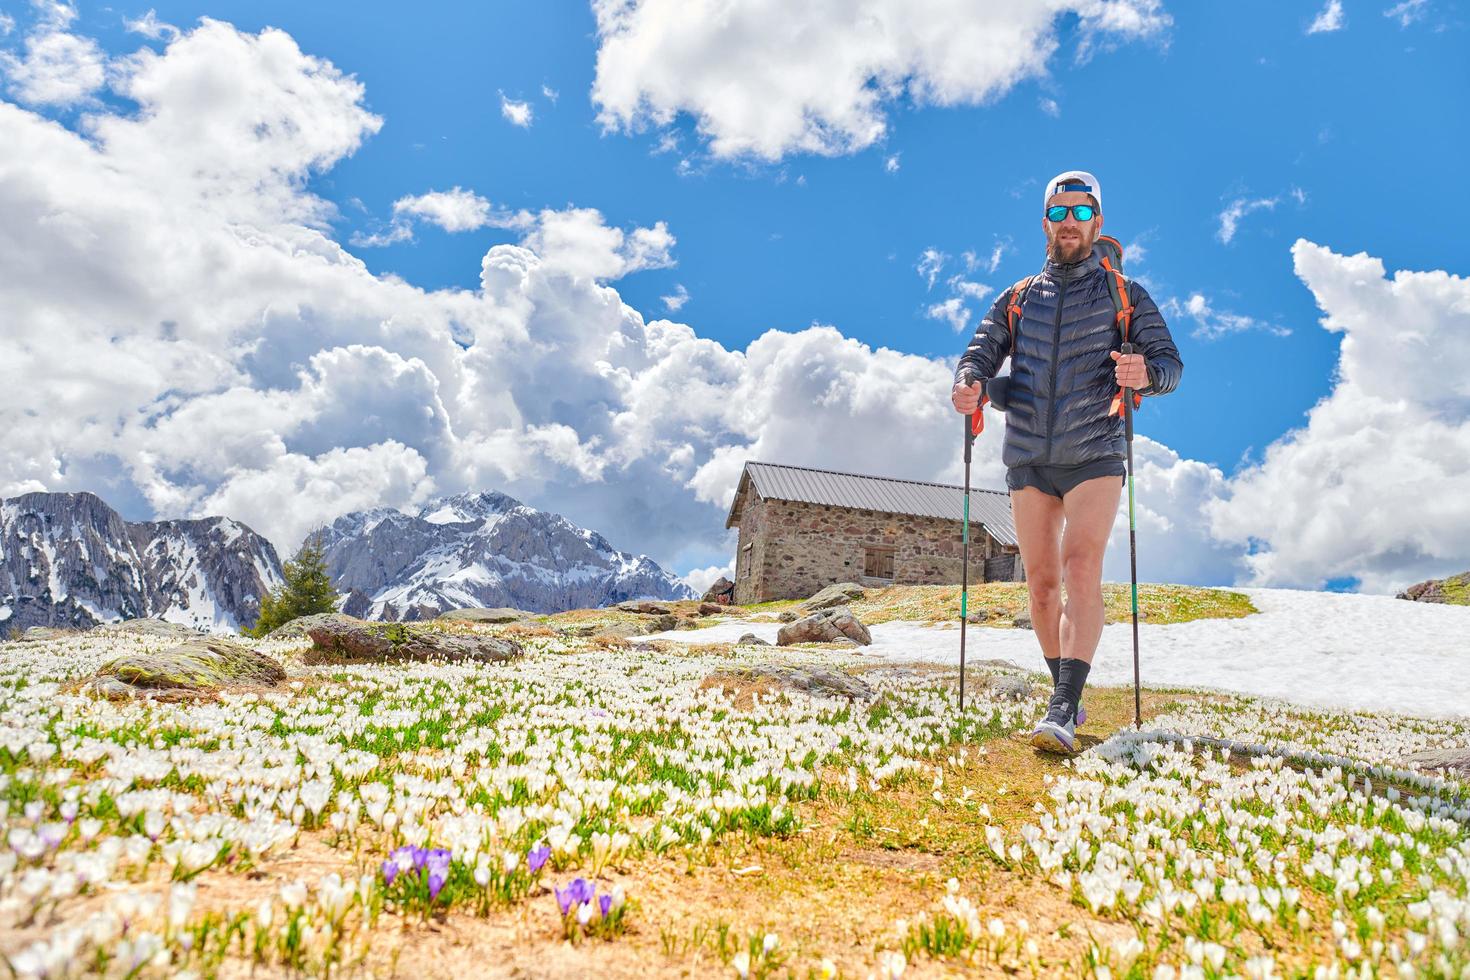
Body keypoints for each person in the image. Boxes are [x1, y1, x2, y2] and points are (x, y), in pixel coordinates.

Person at [951, 170, 1183, 753]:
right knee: (1042, 587)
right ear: (1045, 223)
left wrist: (1146, 376)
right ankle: (1069, 696)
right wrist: (970, 381)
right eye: (1059, 213)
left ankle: (1060, 706)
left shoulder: (1124, 294)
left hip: (1095, 453)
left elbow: (1170, 364)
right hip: (1029, 455)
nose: (1070, 223)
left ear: (1098, 222)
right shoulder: (1019, 295)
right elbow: (980, 351)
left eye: (1082, 213)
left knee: (1080, 566)